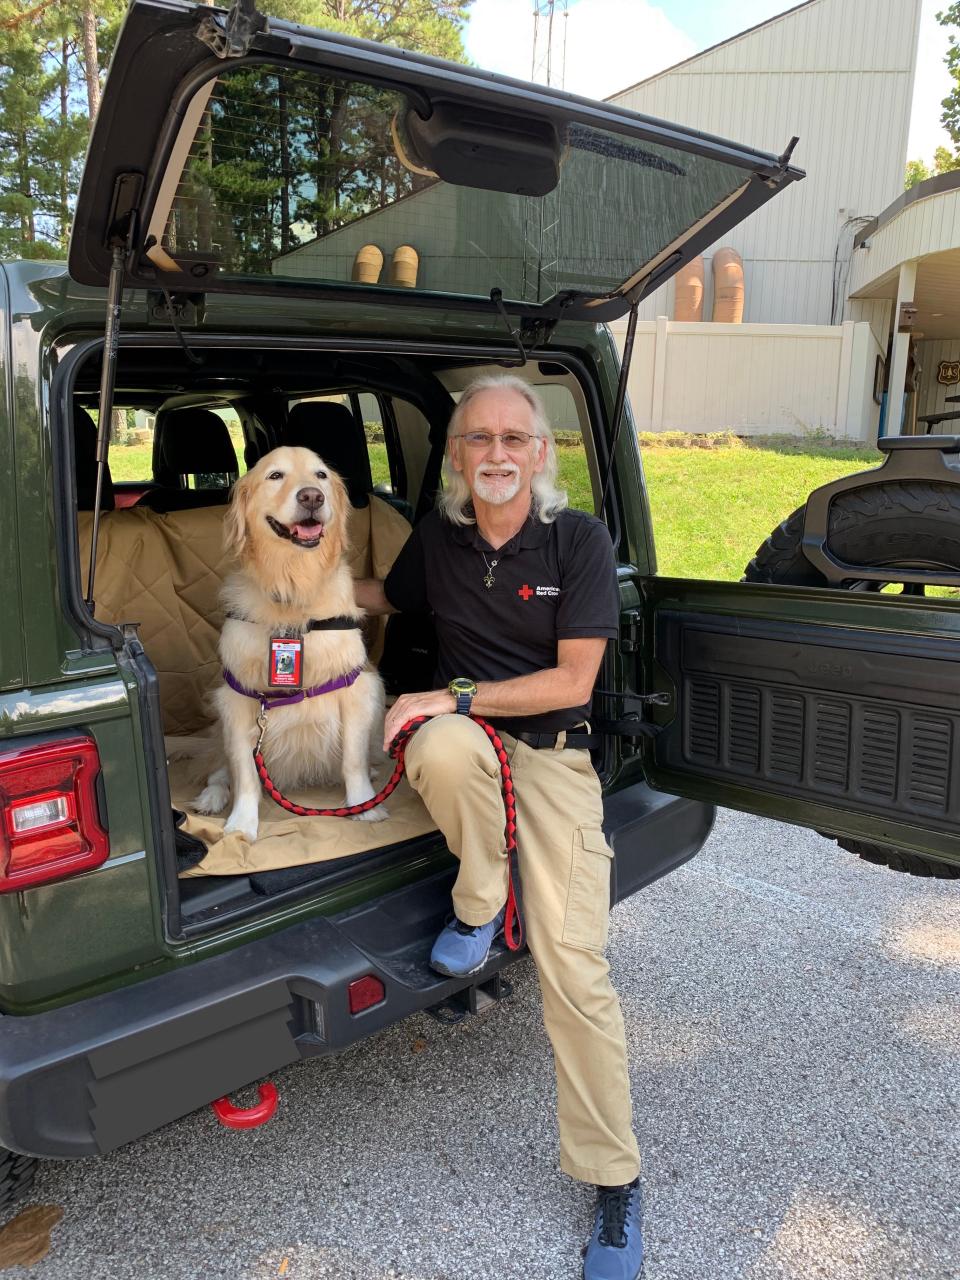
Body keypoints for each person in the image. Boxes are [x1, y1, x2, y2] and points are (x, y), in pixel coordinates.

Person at [355, 374, 643, 1279]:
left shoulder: (578, 539)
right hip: (470, 748)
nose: (496, 455)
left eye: (514, 439)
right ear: (455, 457)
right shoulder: (437, 539)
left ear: (542, 453)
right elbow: (385, 596)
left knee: (575, 968)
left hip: (552, 754)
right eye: (478, 440)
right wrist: (293, 574)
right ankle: (479, 906)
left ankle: (613, 1181)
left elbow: (572, 684)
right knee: (437, 745)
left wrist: (454, 691)